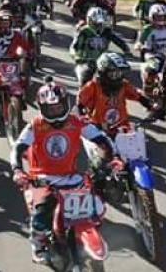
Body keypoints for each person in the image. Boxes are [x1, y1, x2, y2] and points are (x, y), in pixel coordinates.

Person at [10, 81, 113, 264]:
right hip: (43, 177)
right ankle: (38, 245)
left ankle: (89, 231)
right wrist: (18, 170)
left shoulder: (76, 122)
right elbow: (18, 147)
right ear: (42, 108)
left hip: (71, 175)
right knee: (42, 210)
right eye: (51, 109)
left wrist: (113, 156)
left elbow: (100, 137)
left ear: (66, 104)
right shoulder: (35, 125)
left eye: (58, 107)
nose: (56, 112)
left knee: (96, 204)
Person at [77, 52, 158, 131]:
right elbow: (79, 104)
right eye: (113, 74)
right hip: (97, 126)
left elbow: (137, 96)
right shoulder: (92, 86)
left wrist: (150, 105)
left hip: (121, 125)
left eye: (119, 73)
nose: (117, 77)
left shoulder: (123, 84)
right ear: (103, 71)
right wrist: (83, 118)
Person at [69, 7, 130, 84]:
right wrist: (76, 56)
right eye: (96, 23)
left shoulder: (106, 31)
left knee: (115, 77)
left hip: (103, 62)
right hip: (85, 62)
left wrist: (126, 49)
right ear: (90, 20)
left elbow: (118, 40)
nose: (98, 25)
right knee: (85, 79)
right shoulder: (83, 32)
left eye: (100, 23)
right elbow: (73, 47)